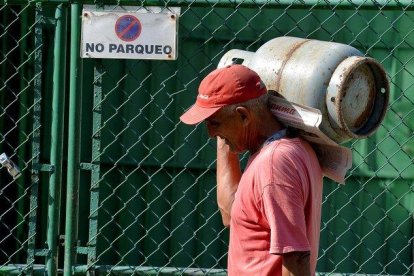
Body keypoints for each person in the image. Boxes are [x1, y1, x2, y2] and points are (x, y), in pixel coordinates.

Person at [180, 64, 323, 276]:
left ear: (244, 116)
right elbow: (231, 213)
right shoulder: (280, 150)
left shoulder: (274, 164)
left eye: (214, 123)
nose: (210, 134)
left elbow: (296, 257)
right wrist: (224, 135)